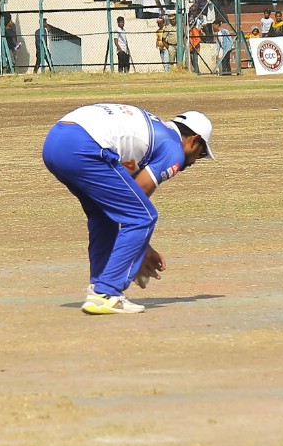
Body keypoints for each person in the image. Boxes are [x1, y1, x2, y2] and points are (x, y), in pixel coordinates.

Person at [40, 104, 215, 315]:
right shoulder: (174, 148)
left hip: (55, 142)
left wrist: (137, 246)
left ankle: (99, 287)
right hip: (83, 145)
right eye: (202, 153)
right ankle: (107, 293)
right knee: (144, 216)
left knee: (104, 216)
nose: (196, 161)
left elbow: (122, 205)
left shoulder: (158, 129)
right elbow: (138, 199)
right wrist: (138, 249)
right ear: (194, 140)